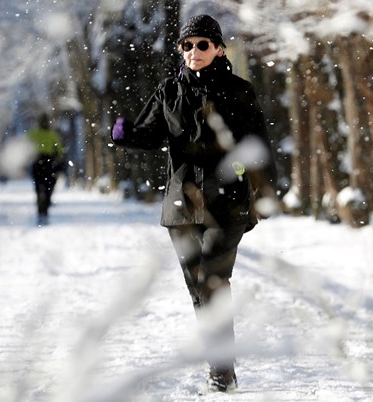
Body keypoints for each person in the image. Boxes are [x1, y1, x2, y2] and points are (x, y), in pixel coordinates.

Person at [110, 14, 277, 393]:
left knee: (214, 282)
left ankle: (222, 370)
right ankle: (217, 361)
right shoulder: (169, 91)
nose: (194, 51)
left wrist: (266, 191)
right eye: (187, 45)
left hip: (228, 203)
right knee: (197, 289)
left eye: (203, 44)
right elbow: (151, 136)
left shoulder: (239, 90)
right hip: (181, 206)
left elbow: (259, 145)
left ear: (219, 49)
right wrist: (125, 133)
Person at [27, 114, 64, 226]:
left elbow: (26, 147)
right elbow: (59, 150)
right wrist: (58, 159)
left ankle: (41, 209)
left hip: (36, 162)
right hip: (48, 162)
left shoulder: (32, 134)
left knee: (38, 186)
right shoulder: (52, 134)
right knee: (49, 185)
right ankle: (45, 206)